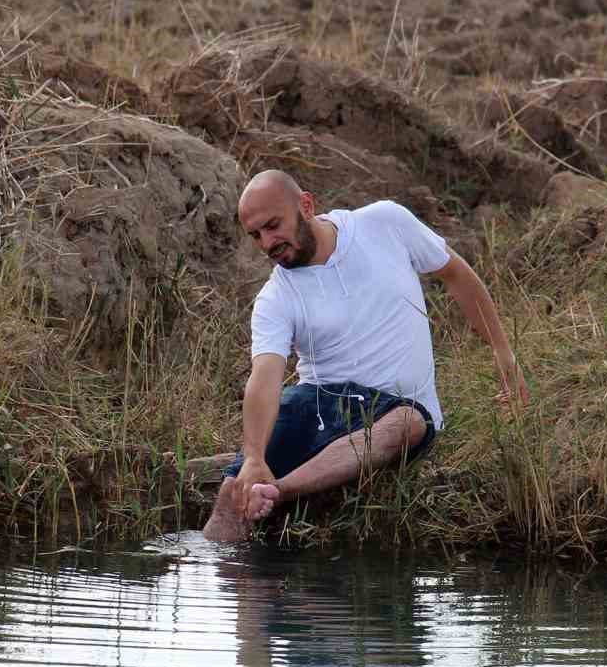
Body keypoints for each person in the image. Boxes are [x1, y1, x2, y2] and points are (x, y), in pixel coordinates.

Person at [202, 169, 529, 542]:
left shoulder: (384, 223)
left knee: (409, 422)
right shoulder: (275, 297)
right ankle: (212, 563)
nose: (267, 243)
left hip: (395, 411)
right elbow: (265, 375)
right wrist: (255, 458)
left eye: (273, 226)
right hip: (322, 405)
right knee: (236, 488)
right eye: (256, 235)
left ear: (306, 206)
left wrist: (504, 353)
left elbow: (457, 275)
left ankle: (282, 491)